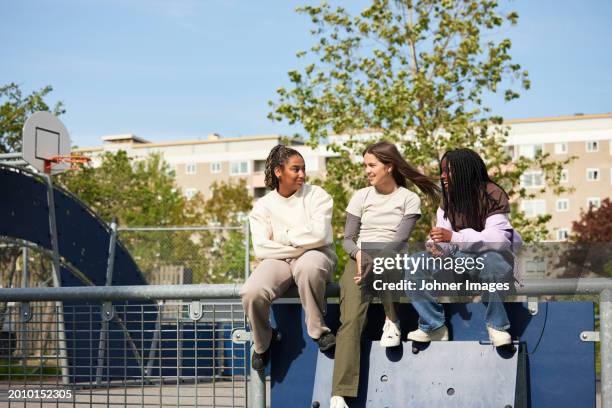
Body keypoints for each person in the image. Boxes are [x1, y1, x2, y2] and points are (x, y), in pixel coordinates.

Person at [330, 141, 439, 408]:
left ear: (389, 166)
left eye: (372, 165)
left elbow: (399, 241)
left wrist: (373, 262)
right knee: (350, 321)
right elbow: (346, 239)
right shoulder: (360, 196)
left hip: (391, 259)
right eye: (365, 165)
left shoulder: (408, 199)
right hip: (359, 260)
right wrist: (359, 256)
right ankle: (339, 393)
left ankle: (392, 319)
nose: (367, 170)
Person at [405, 148, 522, 347]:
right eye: (442, 171)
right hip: (461, 261)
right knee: (415, 263)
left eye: (447, 171)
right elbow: (446, 238)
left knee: (491, 260)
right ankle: (434, 326)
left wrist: (454, 238)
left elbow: (498, 239)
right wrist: (439, 247)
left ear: (465, 170)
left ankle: (497, 325)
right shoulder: (447, 200)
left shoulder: (492, 193)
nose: (442, 176)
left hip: (491, 260)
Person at [240, 145, 338, 371]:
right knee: (251, 291)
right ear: (278, 171)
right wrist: (299, 244)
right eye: (296, 169)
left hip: (317, 255)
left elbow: (320, 235)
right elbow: (262, 249)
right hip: (278, 260)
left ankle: (318, 331)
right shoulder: (263, 206)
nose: (302, 174)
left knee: (308, 267)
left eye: (304, 169)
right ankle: (263, 342)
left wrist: (282, 237)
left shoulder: (318, 195)